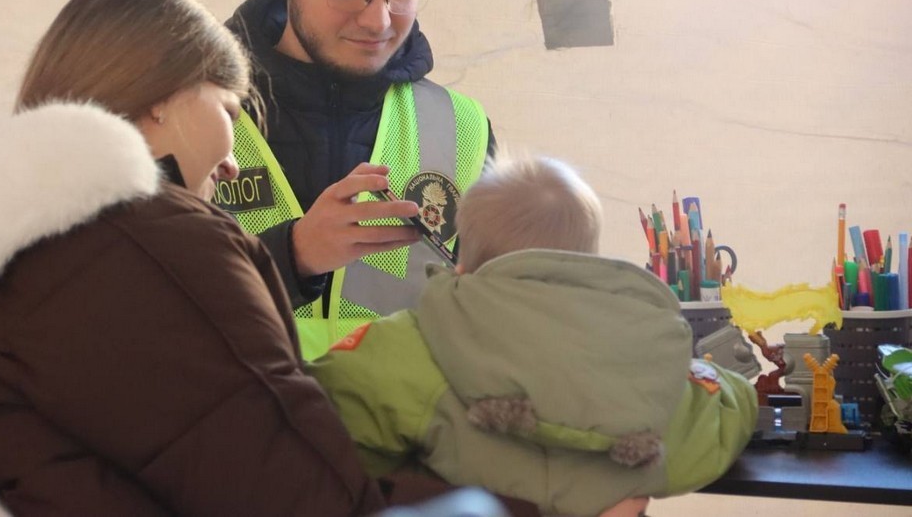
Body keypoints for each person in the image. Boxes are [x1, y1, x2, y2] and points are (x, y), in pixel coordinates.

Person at [0, 0, 537, 516]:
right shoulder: (155, 248)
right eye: (228, 110)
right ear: (161, 100)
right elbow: (309, 501)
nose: (235, 161)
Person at [309, 154, 759, 517]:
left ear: (462, 262)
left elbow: (329, 417)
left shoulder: (413, 341)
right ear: (587, 259)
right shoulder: (646, 354)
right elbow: (721, 418)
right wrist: (729, 385)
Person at [219, 0, 494, 359]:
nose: (378, 19)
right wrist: (292, 255)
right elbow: (134, 308)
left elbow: (494, 312)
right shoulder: (192, 112)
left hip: (408, 434)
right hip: (235, 429)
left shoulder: (461, 128)